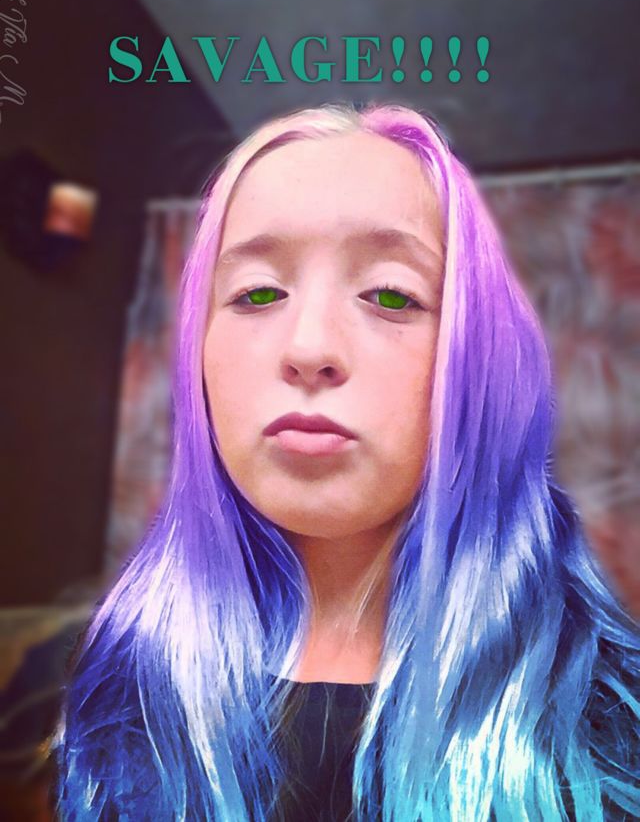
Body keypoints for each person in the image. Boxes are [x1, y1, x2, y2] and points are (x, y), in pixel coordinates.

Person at [51, 102, 640, 821]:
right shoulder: (121, 680)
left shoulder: (607, 723)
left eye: (391, 294)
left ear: (477, 358)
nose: (309, 347)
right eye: (257, 293)